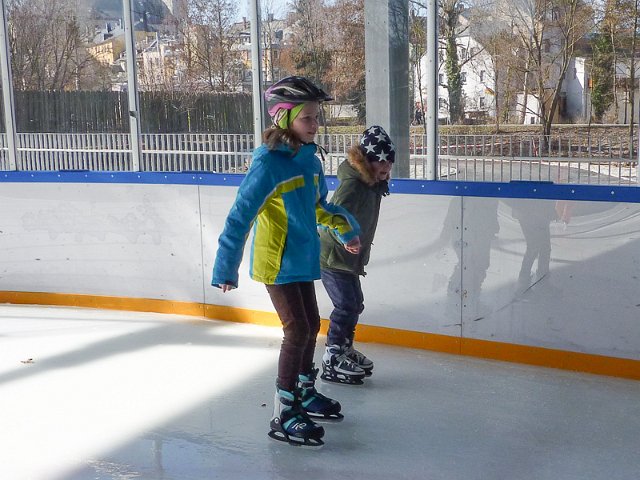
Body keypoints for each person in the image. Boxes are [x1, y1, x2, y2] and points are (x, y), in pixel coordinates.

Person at [211, 76, 361, 448]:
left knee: (311, 325)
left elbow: (320, 207)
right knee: (296, 330)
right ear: (284, 118)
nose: (315, 124)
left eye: (316, 117)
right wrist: (226, 267)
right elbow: (240, 216)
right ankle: (284, 408)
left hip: (302, 258)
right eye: (307, 118)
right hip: (276, 262)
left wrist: (346, 230)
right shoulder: (269, 165)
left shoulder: (309, 161)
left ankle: (304, 391)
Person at [319, 125, 395, 385]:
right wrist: (346, 239)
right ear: (366, 160)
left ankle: (344, 347)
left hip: (348, 258)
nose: (386, 166)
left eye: (389, 162)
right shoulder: (353, 185)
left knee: (355, 303)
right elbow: (331, 217)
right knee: (346, 304)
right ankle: (332, 355)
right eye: (380, 161)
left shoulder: (372, 185)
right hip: (333, 256)